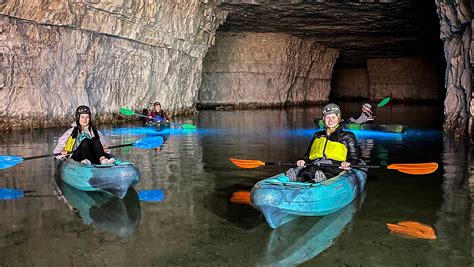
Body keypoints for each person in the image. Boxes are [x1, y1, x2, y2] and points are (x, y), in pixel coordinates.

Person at [287, 103, 361, 183]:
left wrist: (348, 163)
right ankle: (298, 179)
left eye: (333, 117)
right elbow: (308, 156)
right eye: (327, 117)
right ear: (323, 119)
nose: (330, 120)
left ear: (339, 118)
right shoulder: (318, 135)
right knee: (308, 172)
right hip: (316, 163)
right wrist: (303, 160)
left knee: (327, 171)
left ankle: (323, 179)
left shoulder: (347, 136)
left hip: (335, 165)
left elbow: (354, 157)